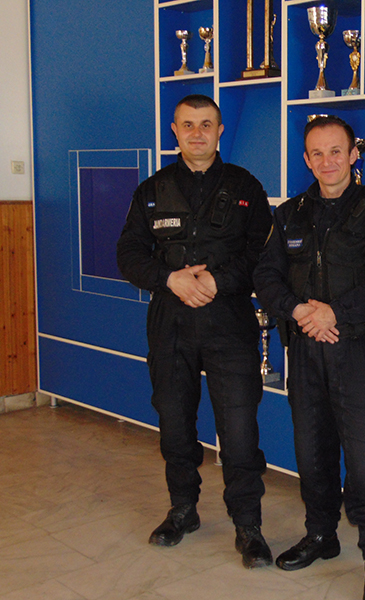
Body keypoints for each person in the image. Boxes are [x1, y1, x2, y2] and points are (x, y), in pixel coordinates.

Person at [117, 94, 273, 569]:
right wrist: (170, 279)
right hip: (171, 322)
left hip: (230, 322)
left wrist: (217, 281)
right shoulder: (151, 190)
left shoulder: (246, 187)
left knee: (240, 429)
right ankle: (182, 510)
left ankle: (248, 525)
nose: (197, 133)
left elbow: (262, 255)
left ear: (220, 130)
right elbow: (129, 254)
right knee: (175, 423)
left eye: (206, 124)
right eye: (188, 125)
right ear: (175, 131)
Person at [253, 115, 365, 600]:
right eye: (317, 153)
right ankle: (321, 536)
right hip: (306, 350)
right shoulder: (289, 214)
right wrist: (300, 311)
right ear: (306, 159)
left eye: (336, 151)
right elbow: (266, 276)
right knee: (312, 455)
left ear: (354, 154)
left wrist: (334, 313)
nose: (327, 161)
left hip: (358, 352)